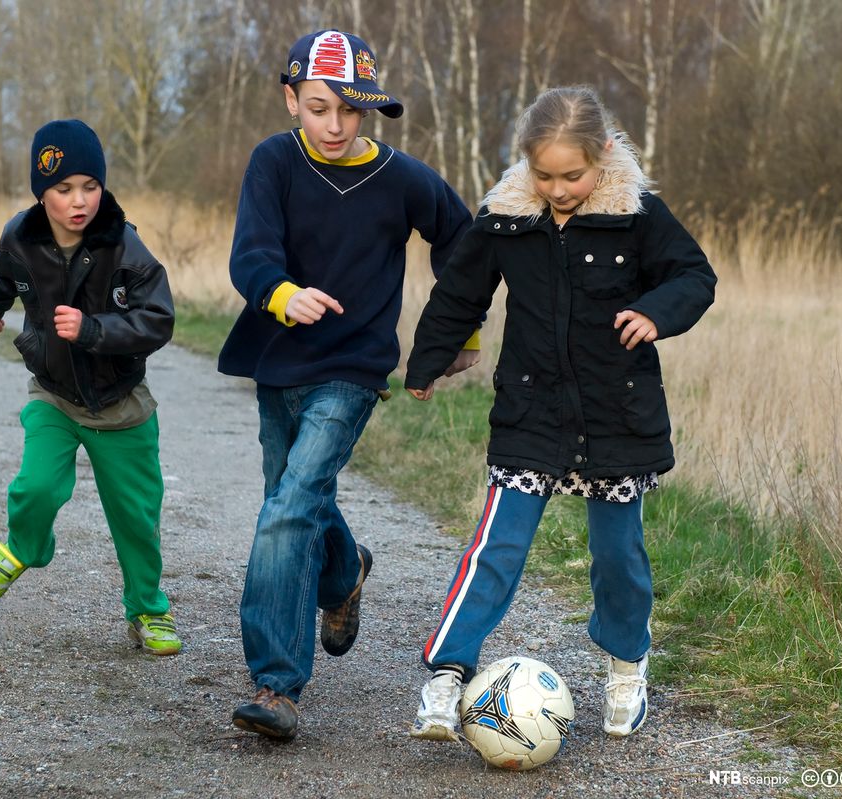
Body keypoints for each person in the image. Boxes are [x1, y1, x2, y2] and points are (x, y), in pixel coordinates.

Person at [404, 86, 716, 741]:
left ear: (602, 154)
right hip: (532, 410)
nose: (558, 189)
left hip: (617, 414)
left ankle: (627, 666)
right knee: (496, 549)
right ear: (527, 164)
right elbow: (460, 292)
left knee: (617, 556)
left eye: (572, 175)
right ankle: (447, 674)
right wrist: (427, 361)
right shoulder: (507, 218)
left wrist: (655, 312)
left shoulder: (638, 215)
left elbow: (694, 276)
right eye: (544, 175)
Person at [218, 29, 477, 740]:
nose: (335, 125)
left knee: (288, 508)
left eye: (350, 110)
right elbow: (251, 252)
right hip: (279, 359)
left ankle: (276, 685)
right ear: (291, 99)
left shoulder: (402, 178)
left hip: (354, 367)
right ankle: (343, 572)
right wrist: (281, 292)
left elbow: (464, 238)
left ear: (367, 108)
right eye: (318, 108)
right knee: (293, 498)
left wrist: (458, 334)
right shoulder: (274, 162)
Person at [0, 119, 182, 657]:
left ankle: (148, 609)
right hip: (55, 396)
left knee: (136, 519)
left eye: (90, 186)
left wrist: (93, 330)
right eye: (63, 189)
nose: (79, 200)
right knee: (36, 487)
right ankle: (24, 547)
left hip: (122, 405)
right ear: (42, 193)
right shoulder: (20, 236)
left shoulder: (124, 245)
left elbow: (158, 319)